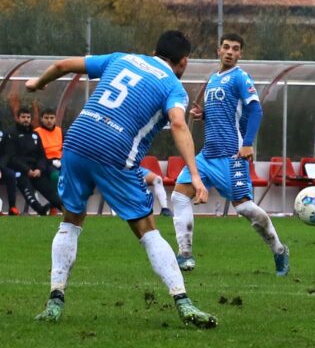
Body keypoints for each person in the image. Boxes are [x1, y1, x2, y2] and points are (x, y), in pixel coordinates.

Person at [26, 30, 217, 328]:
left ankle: (54, 301)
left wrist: (37, 83)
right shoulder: (173, 87)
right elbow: (179, 123)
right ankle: (184, 302)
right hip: (115, 149)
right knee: (147, 229)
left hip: (77, 140)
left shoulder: (122, 58)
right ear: (183, 62)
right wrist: (195, 175)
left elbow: (63, 66)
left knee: (70, 221)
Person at [171, 33, 289, 276]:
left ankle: (279, 250)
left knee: (245, 208)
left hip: (231, 155)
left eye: (235, 49)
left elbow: (255, 110)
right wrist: (204, 115)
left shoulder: (240, 77)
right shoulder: (214, 79)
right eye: (226, 47)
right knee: (179, 196)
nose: (230, 52)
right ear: (218, 50)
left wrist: (247, 143)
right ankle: (185, 254)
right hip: (207, 155)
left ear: (240, 54)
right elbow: (226, 114)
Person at [8, 107, 62, 216]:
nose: (26, 119)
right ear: (17, 118)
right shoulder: (12, 134)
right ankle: (40, 210)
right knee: (29, 190)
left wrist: (39, 169)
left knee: (51, 190)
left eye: (28, 117)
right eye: (23, 117)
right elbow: (12, 157)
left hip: (38, 169)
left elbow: (41, 155)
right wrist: (27, 169)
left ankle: (65, 208)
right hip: (22, 170)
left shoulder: (35, 135)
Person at [34, 107, 63, 187]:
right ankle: (58, 196)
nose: (49, 120)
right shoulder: (36, 133)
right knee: (55, 176)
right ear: (42, 119)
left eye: (51, 118)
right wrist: (51, 162)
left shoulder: (60, 131)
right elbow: (36, 153)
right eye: (46, 118)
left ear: (55, 119)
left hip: (61, 160)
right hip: (46, 163)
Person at [0, 127, 20, 216]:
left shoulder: (3, 134)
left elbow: (7, 153)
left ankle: (12, 207)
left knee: (11, 175)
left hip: (1, 166)